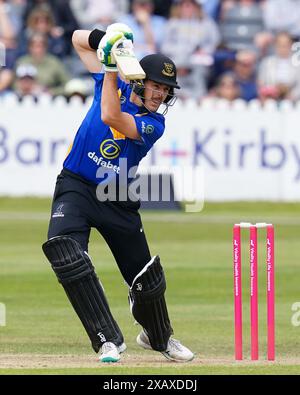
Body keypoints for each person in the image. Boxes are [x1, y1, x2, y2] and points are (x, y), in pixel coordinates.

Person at [42, 23, 194, 363]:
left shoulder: (154, 124)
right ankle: (107, 339)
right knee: (66, 253)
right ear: (141, 80)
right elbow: (76, 39)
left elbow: (111, 114)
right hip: (77, 185)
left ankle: (160, 337)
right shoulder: (114, 81)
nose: (160, 95)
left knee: (146, 279)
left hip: (117, 195)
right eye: (156, 86)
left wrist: (110, 69)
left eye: (166, 90)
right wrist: (107, 43)